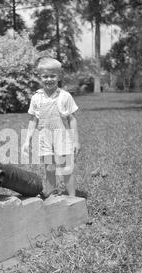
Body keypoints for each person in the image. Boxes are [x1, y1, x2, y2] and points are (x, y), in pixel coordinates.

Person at [22, 57, 81, 197]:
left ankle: (72, 198)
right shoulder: (36, 98)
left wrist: (76, 141)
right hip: (44, 138)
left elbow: (72, 120)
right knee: (49, 167)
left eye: (52, 76)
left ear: (58, 76)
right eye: (45, 76)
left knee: (67, 168)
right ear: (40, 77)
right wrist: (27, 139)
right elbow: (33, 120)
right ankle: (50, 194)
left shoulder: (65, 96)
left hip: (63, 137)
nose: (49, 79)